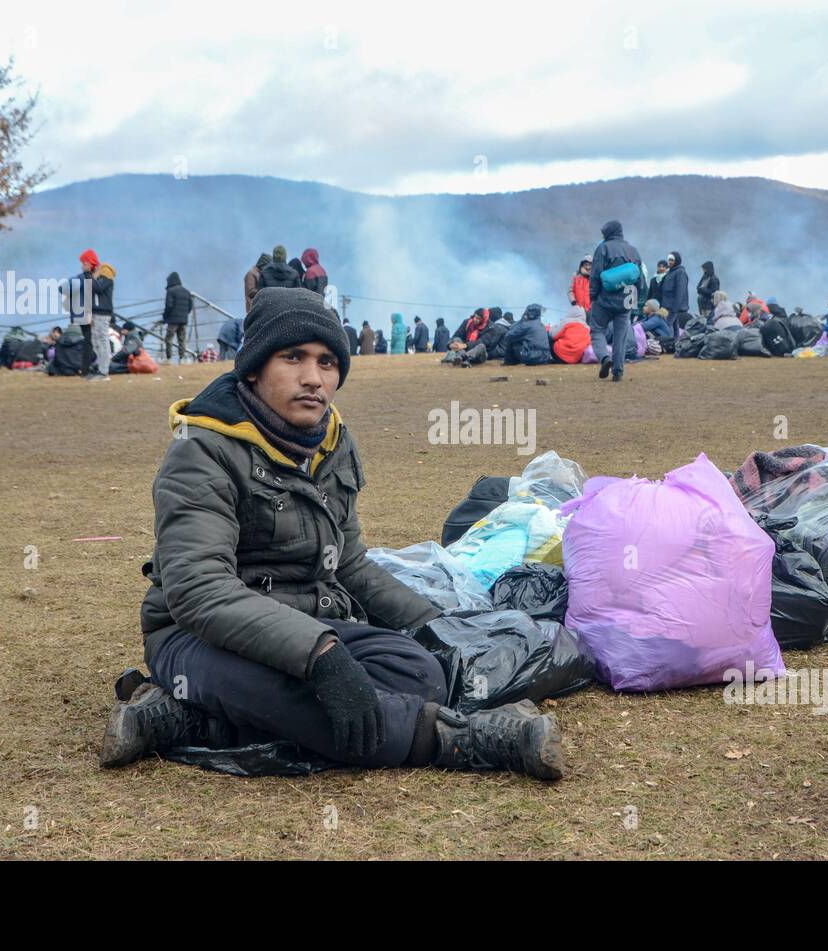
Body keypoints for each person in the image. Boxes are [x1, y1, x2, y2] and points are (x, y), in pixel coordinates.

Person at [99, 288, 564, 778]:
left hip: (309, 625)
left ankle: (187, 722)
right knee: (300, 694)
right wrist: (320, 656)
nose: (312, 379)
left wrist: (438, 626)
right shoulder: (200, 452)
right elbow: (199, 590)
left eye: (326, 362)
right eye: (293, 358)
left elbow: (350, 563)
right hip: (197, 637)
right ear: (254, 368)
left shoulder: (331, 441)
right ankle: (458, 740)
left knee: (421, 673)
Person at [588, 219, 644, 382]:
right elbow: (639, 279)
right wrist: (635, 302)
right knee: (621, 335)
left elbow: (595, 274)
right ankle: (618, 372)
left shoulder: (603, 248)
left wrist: (593, 296)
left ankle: (605, 358)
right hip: (626, 298)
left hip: (604, 299)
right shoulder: (633, 251)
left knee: (597, 330)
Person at [77, 249, 113, 380]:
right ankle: (100, 370)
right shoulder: (95, 276)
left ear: (89, 263)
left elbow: (96, 288)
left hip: (103, 313)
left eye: (84, 263)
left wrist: (87, 273)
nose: (82, 266)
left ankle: (104, 373)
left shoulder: (106, 275)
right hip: (96, 313)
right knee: (96, 342)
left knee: (102, 342)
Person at [162, 271, 194, 364]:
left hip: (172, 320)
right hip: (183, 320)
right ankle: (182, 358)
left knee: (169, 339)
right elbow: (190, 306)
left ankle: (169, 359)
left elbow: (169, 306)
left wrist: (165, 317)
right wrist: (184, 314)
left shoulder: (170, 291)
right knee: (182, 339)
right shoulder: (186, 291)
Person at [658, 251, 691, 333]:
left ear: (677, 261)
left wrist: (674, 309)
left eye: (672, 260)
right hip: (666, 308)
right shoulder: (669, 272)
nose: (670, 262)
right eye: (669, 260)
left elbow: (680, 292)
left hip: (674, 310)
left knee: (670, 331)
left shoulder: (680, 273)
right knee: (671, 331)